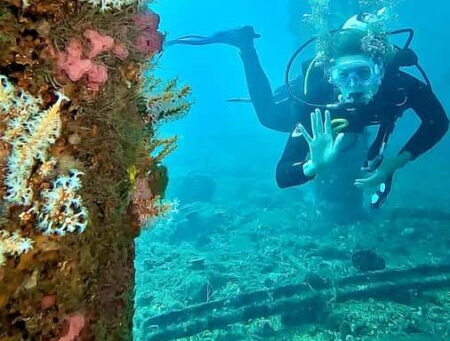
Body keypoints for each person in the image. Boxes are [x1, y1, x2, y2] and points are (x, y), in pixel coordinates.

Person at [168, 17, 449, 208]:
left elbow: (438, 123)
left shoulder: (400, 86)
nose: (353, 86)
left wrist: (393, 164)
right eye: (344, 75)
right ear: (331, 75)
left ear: (380, 70)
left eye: (363, 73)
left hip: (367, 109)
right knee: (268, 116)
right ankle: (246, 47)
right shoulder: (319, 97)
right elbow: (282, 175)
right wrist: (314, 165)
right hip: (321, 101)